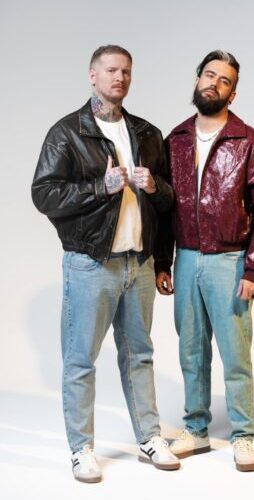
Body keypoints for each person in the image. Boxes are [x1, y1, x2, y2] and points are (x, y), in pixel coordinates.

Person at [32, 45, 179, 483]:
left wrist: (155, 189)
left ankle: (149, 437)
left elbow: (168, 203)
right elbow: (44, 194)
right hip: (91, 263)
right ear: (92, 76)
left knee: (140, 356)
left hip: (139, 263)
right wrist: (101, 186)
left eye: (126, 71)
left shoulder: (147, 133)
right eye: (111, 70)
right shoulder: (67, 133)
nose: (120, 77)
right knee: (81, 360)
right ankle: (81, 449)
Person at [156, 50, 254, 472]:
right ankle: (195, 429)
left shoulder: (247, 141)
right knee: (191, 351)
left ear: (233, 92)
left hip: (229, 261)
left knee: (235, 354)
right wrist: (162, 261)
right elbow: (163, 205)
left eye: (224, 79)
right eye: (209, 75)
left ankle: (242, 434)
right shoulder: (176, 139)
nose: (214, 83)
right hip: (186, 258)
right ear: (197, 79)